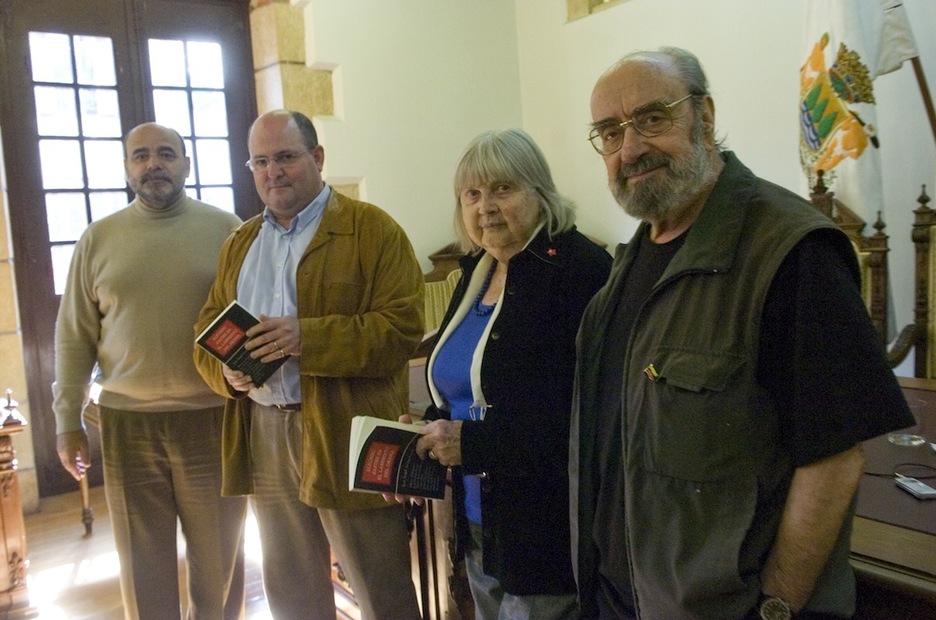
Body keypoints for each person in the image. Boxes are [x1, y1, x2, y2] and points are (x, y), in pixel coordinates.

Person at [570, 47, 915, 620]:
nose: (629, 149)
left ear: (704, 117)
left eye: (652, 119)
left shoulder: (791, 251)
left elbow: (833, 461)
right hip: (622, 600)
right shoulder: (628, 264)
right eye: (609, 132)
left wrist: (775, 606)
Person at [192, 109, 423, 620]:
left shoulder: (372, 230)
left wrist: (308, 337)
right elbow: (207, 334)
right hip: (265, 433)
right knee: (291, 590)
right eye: (260, 161)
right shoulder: (239, 244)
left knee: (380, 586)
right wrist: (227, 374)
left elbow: (403, 329)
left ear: (317, 157)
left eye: (286, 157)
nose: (272, 172)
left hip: (350, 427)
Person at [408, 128, 611, 619]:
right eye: (472, 194)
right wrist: (424, 432)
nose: (486, 207)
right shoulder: (477, 270)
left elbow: (585, 415)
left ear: (539, 192)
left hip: (543, 527)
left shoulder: (580, 270)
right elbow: (461, 386)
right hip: (477, 516)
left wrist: (472, 443)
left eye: (503, 189)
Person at [53, 122, 247, 620]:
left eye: (165, 153)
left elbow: (253, 319)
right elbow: (74, 336)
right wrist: (67, 421)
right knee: (142, 569)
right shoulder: (98, 239)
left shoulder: (228, 230)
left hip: (212, 419)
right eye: (140, 156)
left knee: (220, 564)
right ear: (127, 169)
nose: (153, 163)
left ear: (186, 164)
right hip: (127, 425)